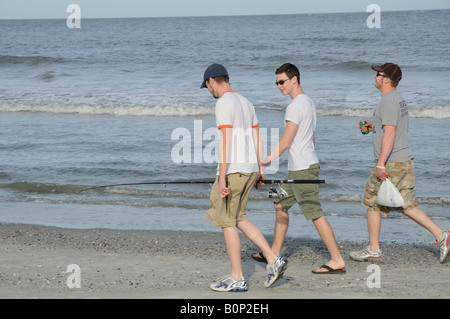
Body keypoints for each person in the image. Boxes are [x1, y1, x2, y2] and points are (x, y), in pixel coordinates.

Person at [350, 63, 449, 263]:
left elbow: (391, 133)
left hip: (392, 162)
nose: (375, 77)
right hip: (404, 159)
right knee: (407, 205)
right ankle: (442, 236)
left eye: (378, 74)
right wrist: (373, 126)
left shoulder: (388, 102)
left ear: (386, 79)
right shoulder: (397, 99)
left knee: (371, 201)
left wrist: (380, 164)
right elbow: (394, 128)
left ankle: (373, 249)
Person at [201, 63, 288, 292]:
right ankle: (272, 258)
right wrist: (260, 170)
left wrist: (221, 177)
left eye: (208, 86)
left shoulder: (223, 103)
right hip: (249, 169)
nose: (210, 91)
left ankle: (237, 277)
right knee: (239, 217)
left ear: (212, 81)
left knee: (226, 222)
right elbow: (257, 138)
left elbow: (225, 141)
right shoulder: (246, 103)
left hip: (234, 170)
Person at [252, 63, 346, 274]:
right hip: (299, 168)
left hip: (303, 169)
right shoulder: (309, 102)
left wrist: (265, 160)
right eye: (276, 82)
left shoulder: (295, 106)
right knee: (278, 203)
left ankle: (337, 259)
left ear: (294, 79)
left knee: (315, 213)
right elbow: (312, 136)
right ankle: (273, 254)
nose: (279, 86)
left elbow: (286, 142)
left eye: (282, 81)